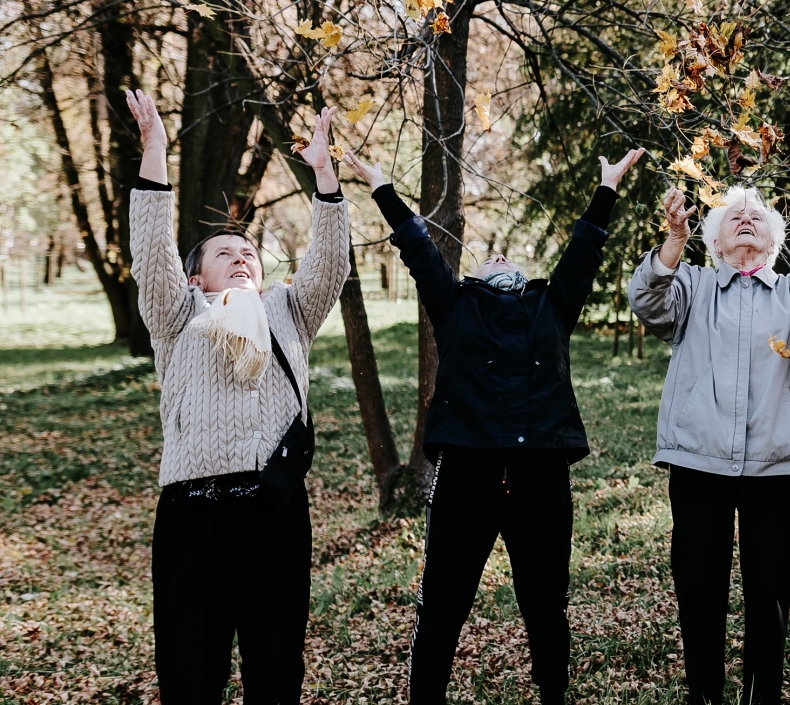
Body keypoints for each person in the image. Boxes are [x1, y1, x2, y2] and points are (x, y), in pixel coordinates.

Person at [340, 146, 641, 705]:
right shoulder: (456, 307)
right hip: (467, 473)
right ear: (475, 276)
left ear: (524, 275)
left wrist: (607, 188)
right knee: (443, 604)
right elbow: (419, 250)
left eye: (508, 258)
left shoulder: (551, 306)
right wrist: (382, 186)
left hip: (540, 476)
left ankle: (555, 694)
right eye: (488, 258)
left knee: (546, 603)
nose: (498, 258)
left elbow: (583, 255)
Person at [126, 90, 352, 705]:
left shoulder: (287, 311)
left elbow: (330, 264)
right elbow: (151, 260)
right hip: (193, 515)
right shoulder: (179, 314)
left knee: (275, 667)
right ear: (198, 276)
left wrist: (325, 176)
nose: (242, 258)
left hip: (273, 514)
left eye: (248, 252)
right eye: (225, 254)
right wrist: (155, 154)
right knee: (191, 673)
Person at [628, 184, 790, 705]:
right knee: (699, 588)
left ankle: (762, 698)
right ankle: (705, 696)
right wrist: (672, 241)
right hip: (699, 461)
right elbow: (648, 302)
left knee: (770, 594)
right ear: (716, 241)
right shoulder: (694, 283)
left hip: (777, 465)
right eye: (734, 217)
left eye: (757, 216)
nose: (746, 219)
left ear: (774, 240)